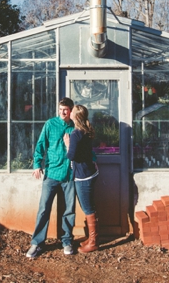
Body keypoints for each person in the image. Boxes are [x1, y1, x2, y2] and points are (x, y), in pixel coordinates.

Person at [26, 98, 77, 259]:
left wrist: (93, 160)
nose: (63, 112)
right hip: (52, 174)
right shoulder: (50, 124)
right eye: (61, 109)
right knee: (44, 209)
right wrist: (36, 164)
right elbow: (41, 145)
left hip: (69, 176)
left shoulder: (75, 126)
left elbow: (85, 147)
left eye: (66, 109)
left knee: (69, 210)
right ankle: (37, 242)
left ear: (71, 110)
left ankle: (67, 240)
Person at [65, 104, 101, 253]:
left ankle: (93, 242)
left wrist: (67, 144)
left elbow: (71, 156)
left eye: (71, 111)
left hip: (83, 176)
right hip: (89, 172)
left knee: (88, 208)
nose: (69, 112)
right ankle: (91, 238)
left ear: (76, 116)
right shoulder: (85, 131)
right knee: (89, 206)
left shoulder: (75, 134)